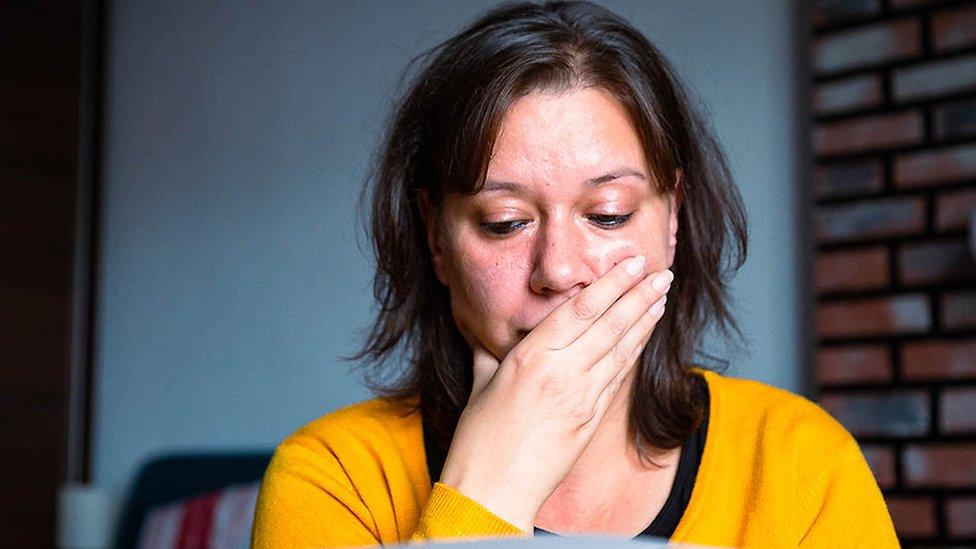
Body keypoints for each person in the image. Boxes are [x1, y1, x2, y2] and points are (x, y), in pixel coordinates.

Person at [251, 2, 898, 547]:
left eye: (608, 214)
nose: (558, 271)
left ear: (672, 219)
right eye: (505, 221)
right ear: (434, 236)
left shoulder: (801, 462)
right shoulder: (333, 475)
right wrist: (488, 488)